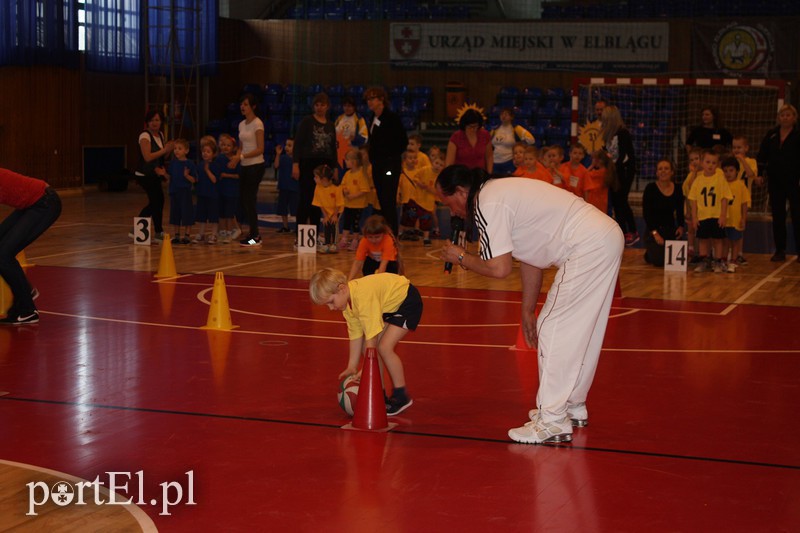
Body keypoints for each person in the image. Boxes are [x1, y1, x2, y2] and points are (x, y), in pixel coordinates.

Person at [436, 165, 624, 444]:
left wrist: (461, 257)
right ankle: (572, 406)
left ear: (461, 193)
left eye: (447, 202)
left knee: (553, 329)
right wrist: (527, 309)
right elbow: (531, 255)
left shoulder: (488, 201)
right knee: (584, 330)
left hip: (588, 244)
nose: (449, 211)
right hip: (604, 236)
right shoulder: (500, 193)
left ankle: (552, 421)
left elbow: (499, 268)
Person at [309, 267, 421, 415]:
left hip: (407, 302)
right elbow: (355, 334)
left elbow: (372, 333)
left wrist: (367, 365)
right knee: (367, 348)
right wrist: (352, 366)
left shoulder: (363, 297)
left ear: (342, 289)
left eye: (331, 302)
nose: (331, 308)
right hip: (391, 306)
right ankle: (379, 395)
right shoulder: (348, 304)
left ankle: (401, 396)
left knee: (384, 347)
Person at [0, 168, 62, 325]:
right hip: (31, 205)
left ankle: (28, 310)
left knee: (3, 255)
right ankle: (24, 296)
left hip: (44, 203)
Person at [756, 104, 800, 263]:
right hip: (775, 181)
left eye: (788, 115)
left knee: (797, 216)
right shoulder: (772, 134)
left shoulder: (797, 135)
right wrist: (760, 174)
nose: (785, 118)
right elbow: (762, 155)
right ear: (778, 117)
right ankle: (780, 250)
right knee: (778, 217)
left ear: (794, 118)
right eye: (782, 115)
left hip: (795, 182)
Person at [294, 92, 338, 244]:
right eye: (317, 105)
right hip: (307, 164)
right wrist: (295, 164)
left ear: (327, 106)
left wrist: (335, 167)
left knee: (318, 201)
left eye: (323, 105)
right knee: (305, 199)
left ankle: (314, 233)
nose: (320, 108)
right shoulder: (307, 121)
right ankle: (299, 235)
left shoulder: (331, 125)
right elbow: (298, 144)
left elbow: (333, 148)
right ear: (313, 106)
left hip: (324, 165)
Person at [364, 86, 408, 235]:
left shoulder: (391, 118)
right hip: (377, 165)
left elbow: (403, 142)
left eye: (372, 98)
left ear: (381, 100)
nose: (369, 102)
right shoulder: (372, 118)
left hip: (389, 165)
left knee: (388, 200)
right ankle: (386, 232)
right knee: (382, 200)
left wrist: (389, 156)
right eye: (368, 99)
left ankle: (392, 235)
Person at [688, 150, 733, 273]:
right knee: (703, 240)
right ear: (702, 163)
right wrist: (694, 217)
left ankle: (718, 262)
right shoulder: (697, 180)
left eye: (713, 163)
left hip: (716, 215)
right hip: (702, 216)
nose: (710, 165)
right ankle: (703, 261)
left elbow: (725, 198)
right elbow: (693, 200)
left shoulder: (720, 179)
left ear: (717, 165)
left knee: (718, 240)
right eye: (707, 162)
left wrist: (723, 215)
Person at [133, 109, 174, 242]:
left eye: (157, 120)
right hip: (144, 174)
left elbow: (162, 156)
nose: (154, 123)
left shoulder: (161, 135)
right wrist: (164, 150)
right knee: (157, 201)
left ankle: (151, 231)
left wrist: (169, 149)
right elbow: (148, 157)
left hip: (154, 173)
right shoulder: (144, 136)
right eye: (152, 120)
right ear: (147, 123)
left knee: (157, 201)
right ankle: (155, 231)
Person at [600, 105, 639, 246]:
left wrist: (613, 164)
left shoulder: (623, 133)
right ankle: (623, 231)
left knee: (621, 200)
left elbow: (624, 156)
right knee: (617, 202)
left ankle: (632, 231)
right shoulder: (607, 134)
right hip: (614, 171)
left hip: (624, 171)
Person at [234, 92, 266, 247]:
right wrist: (236, 158)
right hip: (245, 165)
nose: (242, 107)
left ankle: (255, 236)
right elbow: (241, 147)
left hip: (256, 165)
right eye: (242, 104)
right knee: (244, 200)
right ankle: (252, 231)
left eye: (246, 104)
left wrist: (241, 157)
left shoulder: (258, 124)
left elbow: (260, 148)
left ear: (253, 106)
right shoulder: (241, 124)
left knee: (249, 199)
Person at [642, 159, 685, 267]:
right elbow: (646, 214)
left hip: (670, 229)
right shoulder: (650, 188)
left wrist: (681, 226)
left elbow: (680, 210)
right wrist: (655, 234)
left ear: (672, 172)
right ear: (656, 173)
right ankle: (650, 251)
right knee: (659, 262)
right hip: (654, 230)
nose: (663, 171)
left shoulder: (678, 188)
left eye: (666, 168)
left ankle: (653, 251)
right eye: (660, 169)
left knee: (674, 262)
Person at [721, 157, 751, 271]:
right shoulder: (721, 184)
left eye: (731, 170)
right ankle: (723, 259)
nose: (728, 173)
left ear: (737, 171)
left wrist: (743, 218)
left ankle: (733, 260)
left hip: (735, 220)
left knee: (735, 241)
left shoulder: (741, 185)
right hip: (724, 219)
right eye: (725, 171)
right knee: (724, 241)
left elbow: (744, 204)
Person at [349, 214, 401, 279]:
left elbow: (384, 263)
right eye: (370, 237)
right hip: (372, 260)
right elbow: (358, 262)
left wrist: (377, 281)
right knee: (367, 268)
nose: (374, 240)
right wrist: (349, 280)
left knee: (390, 273)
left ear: (383, 234)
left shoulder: (388, 240)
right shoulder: (364, 241)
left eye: (377, 237)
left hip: (388, 263)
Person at [338, 148, 370, 251]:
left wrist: (353, 196)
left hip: (358, 205)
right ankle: (344, 239)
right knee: (346, 222)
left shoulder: (362, 174)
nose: (345, 162)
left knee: (355, 223)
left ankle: (355, 240)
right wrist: (345, 190)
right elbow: (342, 185)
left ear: (354, 161)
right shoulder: (347, 174)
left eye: (347, 160)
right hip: (348, 204)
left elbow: (364, 190)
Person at [167, 138, 197, 244]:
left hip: (185, 192)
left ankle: (187, 235)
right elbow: (170, 177)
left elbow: (194, 179)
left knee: (187, 213)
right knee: (175, 213)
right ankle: (176, 235)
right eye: (175, 148)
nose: (176, 151)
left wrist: (186, 175)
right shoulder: (173, 163)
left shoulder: (190, 163)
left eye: (179, 148)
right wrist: (163, 174)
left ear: (186, 151)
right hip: (174, 191)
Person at [444, 108, 493, 173]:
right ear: (464, 125)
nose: (473, 129)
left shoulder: (485, 135)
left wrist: (489, 173)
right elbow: (449, 163)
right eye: (470, 127)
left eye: (475, 126)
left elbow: (489, 157)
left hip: (480, 174)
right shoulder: (456, 137)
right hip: (461, 175)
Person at [490, 107, 535, 175]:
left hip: (509, 162)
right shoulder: (494, 129)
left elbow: (531, 140)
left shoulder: (516, 128)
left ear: (511, 117)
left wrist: (521, 148)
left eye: (506, 114)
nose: (503, 116)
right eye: (502, 114)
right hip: (494, 162)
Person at [215, 133, 242, 244]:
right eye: (223, 145)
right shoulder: (219, 158)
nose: (225, 147)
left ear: (234, 147)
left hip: (232, 191)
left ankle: (231, 231)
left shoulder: (236, 160)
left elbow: (239, 175)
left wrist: (226, 175)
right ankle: (223, 232)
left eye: (228, 145)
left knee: (229, 213)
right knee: (222, 213)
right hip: (221, 190)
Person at [311, 164, 343, 254]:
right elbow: (320, 203)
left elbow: (339, 204)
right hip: (327, 211)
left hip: (337, 210)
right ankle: (327, 244)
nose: (314, 179)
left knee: (334, 225)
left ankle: (334, 244)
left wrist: (335, 215)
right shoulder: (318, 187)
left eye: (316, 177)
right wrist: (325, 216)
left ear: (324, 179)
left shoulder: (337, 188)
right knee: (326, 225)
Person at [194, 139, 220, 244]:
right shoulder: (200, 165)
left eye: (208, 151)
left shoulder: (215, 165)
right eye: (204, 151)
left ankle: (214, 234)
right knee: (202, 216)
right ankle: (201, 233)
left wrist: (207, 170)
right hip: (202, 193)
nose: (205, 153)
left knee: (213, 216)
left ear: (213, 154)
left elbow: (214, 180)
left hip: (213, 195)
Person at [335, 96, 369, 171]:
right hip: (340, 153)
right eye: (345, 106)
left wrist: (355, 139)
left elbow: (365, 137)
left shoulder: (359, 119)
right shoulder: (339, 119)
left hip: (353, 153)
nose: (347, 108)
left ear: (354, 107)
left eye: (349, 106)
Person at [682, 147, 703, 262]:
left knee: (699, 230)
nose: (694, 162)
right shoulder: (691, 175)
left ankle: (700, 251)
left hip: (702, 208)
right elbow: (688, 188)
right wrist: (689, 210)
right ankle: (690, 248)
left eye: (697, 159)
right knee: (690, 228)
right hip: (691, 206)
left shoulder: (705, 174)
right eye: (691, 160)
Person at [274, 138, 298, 234]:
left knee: (295, 208)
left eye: (290, 145)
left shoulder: (297, 160)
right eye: (286, 145)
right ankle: (285, 226)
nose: (287, 147)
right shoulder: (283, 157)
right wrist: (278, 154)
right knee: (282, 208)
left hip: (294, 187)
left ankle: (298, 226)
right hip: (283, 187)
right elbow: (276, 166)